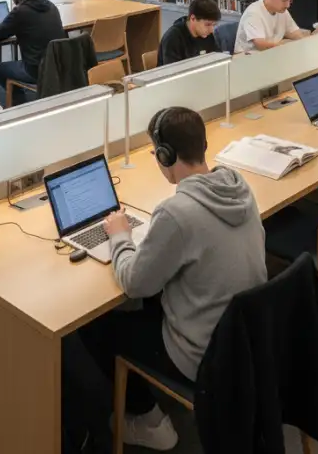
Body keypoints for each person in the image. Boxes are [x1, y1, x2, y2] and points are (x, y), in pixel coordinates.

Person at [80, 107, 267, 450]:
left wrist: (120, 236)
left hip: (202, 356)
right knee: (153, 295)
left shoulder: (176, 212)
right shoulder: (239, 187)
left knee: (97, 324)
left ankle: (149, 421)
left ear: (164, 155)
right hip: (246, 340)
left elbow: (134, 283)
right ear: (203, 144)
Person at [0, 0, 66, 103]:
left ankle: (20, 103)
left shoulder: (20, 12)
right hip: (58, 64)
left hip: (35, 70)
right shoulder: (51, 6)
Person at [234, 0, 310, 53]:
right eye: (284, 0)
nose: (288, 5)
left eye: (290, 1)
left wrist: (305, 41)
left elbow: (293, 32)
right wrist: (283, 47)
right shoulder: (254, 13)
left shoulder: (282, 11)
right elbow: (260, 44)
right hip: (249, 56)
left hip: (270, 52)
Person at [157, 0, 220, 66]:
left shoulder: (207, 34)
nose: (211, 30)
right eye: (207, 24)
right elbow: (172, 70)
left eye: (214, 25)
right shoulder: (173, 38)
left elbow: (217, 59)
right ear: (193, 19)